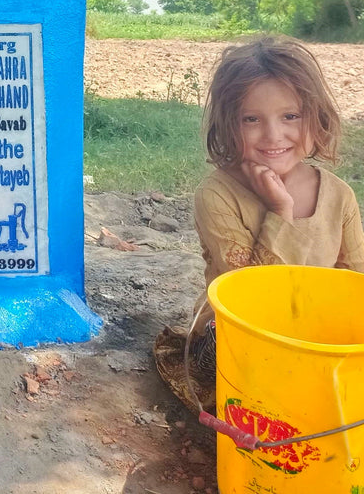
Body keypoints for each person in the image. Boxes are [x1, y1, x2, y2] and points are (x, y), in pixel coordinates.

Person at [154, 35, 364, 410]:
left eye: (290, 116)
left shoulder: (339, 196)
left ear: (317, 118)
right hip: (241, 337)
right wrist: (279, 210)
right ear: (228, 124)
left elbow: (353, 282)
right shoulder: (217, 194)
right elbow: (246, 294)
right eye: (251, 119)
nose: (273, 135)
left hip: (313, 336)